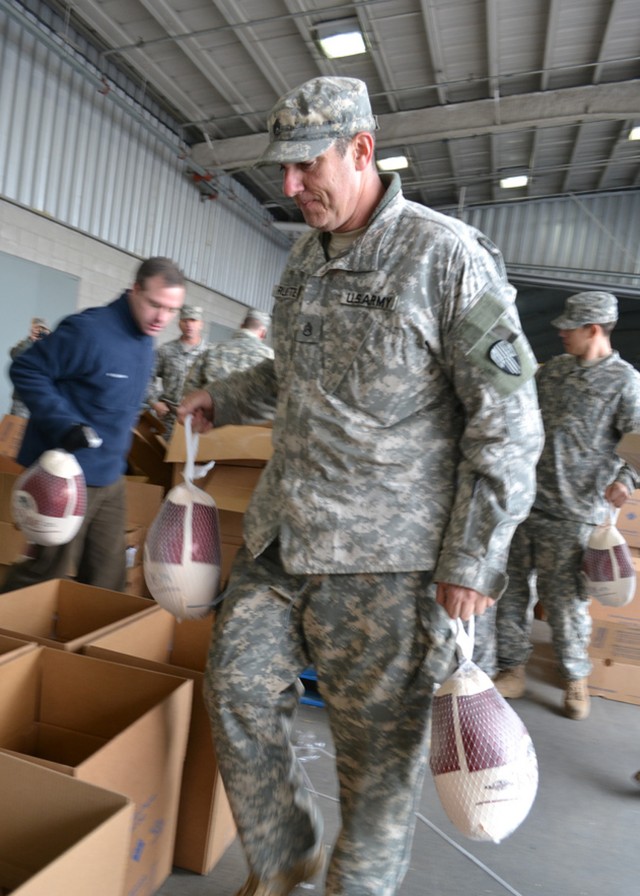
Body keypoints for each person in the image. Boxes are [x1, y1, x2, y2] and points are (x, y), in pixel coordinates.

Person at [178, 76, 543, 896]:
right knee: (235, 687)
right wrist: (226, 395)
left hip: (391, 567)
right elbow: (298, 374)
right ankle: (283, 864)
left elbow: (511, 421)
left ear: (362, 150)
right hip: (285, 537)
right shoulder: (305, 259)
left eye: (306, 167)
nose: (290, 187)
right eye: (284, 171)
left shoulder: (444, 257)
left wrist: (475, 558)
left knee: (375, 777)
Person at [494, 291, 640, 721]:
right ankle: (512, 668)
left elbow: (637, 441)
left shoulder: (625, 382)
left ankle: (575, 677)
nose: (560, 331)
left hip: (578, 512)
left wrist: (626, 480)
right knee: (511, 593)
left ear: (593, 329)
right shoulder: (551, 372)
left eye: (570, 327)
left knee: (565, 603)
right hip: (526, 503)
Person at [3, 256, 185, 594]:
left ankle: (84, 643)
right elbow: (26, 370)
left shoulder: (146, 339)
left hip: (109, 476)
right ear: (134, 290)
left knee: (108, 579)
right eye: (155, 304)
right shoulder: (88, 331)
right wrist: (64, 424)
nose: (163, 317)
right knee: (44, 575)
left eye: (172, 310)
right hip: (65, 476)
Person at [146, 303, 209, 437]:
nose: (189, 325)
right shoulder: (166, 350)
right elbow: (146, 376)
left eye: (193, 320)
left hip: (195, 421)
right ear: (179, 323)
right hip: (168, 419)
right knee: (163, 455)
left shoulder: (210, 354)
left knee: (192, 457)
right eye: (185, 320)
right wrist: (154, 401)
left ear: (201, 324)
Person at [183, 307, 274, 393]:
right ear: (263, 333)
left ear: (241, 326)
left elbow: (190, 387)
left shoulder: (211, 349)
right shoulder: (270, 356)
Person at [8, 317, 51, 417]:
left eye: (43, 329)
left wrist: (49, 341)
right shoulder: (24, 344)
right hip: (22, 399)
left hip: (42, 399)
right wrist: (30, 340)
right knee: (16, 429)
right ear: (31, 330)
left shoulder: (50, 347)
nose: (40, 332)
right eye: (37, 328)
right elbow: (17, 355)